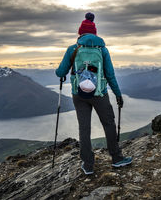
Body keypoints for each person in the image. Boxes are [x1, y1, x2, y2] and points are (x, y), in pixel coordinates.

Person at [55, 12, 132, 175]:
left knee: (84, 128)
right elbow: (110, 75)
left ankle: (88, 165)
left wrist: (63, 71)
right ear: (95, 33)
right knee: (109, 124)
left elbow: (60, 72)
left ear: (80, 33)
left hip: (79, 94)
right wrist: (118, 95)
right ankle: (116, 158)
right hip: (99, 94)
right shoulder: (102, 50)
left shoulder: (73, 49)